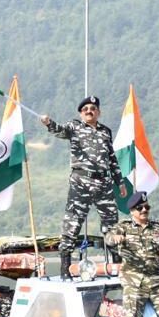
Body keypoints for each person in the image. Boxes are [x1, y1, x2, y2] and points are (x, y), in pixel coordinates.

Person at [40, 96, 127, 279]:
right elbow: (60, 131)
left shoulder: (106, 132)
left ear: (99, 112)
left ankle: (117, 264)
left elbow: (112, 159)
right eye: (86, 109)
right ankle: (65, 267)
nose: (89, 111)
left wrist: (120, 182)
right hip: (81, 182)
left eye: (93, 108)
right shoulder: (75, 127)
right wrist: (49, 123)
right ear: (81, 113)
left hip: (104, 183)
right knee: (73, 223)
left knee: (112, 225)